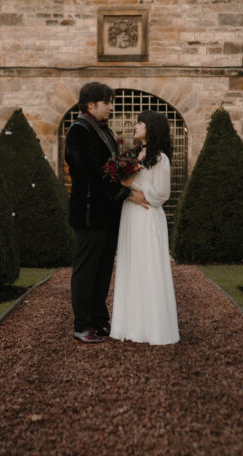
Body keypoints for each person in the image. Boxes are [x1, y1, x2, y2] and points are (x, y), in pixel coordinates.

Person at [65, 82, 148, 344]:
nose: (111, 107)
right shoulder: (79, 131)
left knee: (103, 270)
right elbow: (90, 171)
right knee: (87, 269)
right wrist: (124, 193)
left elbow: (111, 166)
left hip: (107, 212)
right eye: (106, 102)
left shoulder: (103, 130)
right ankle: (82, 325)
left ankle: (99, 320)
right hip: (90, 212)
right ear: (91, 104)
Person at [110, 110, 179, 345]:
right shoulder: (132, 155)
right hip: (130, 214)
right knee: (131, 264)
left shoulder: (160, 158)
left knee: (148, 265)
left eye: (141, 122)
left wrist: (136, 190)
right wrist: (128, 191)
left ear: (152, 128)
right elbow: (120, 182)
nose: (136, 125)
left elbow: (162, 194)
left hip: (148, 215)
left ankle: (153, 327)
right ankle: (130, 324)